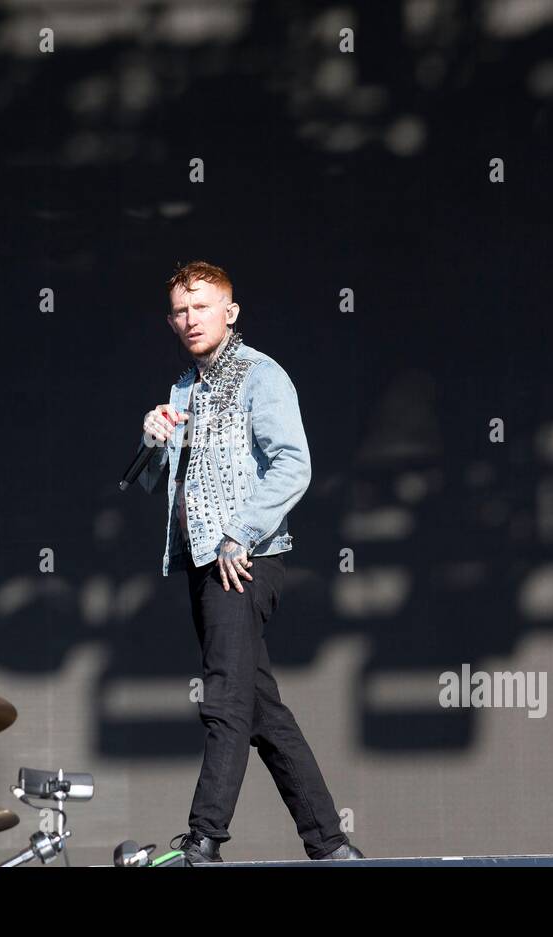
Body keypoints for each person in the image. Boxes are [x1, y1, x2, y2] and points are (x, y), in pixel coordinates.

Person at [136, 261, 364, 864]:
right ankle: (330, 842)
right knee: (262, 709)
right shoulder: (185, 386)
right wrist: (153, 442)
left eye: (202, 307)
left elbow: (294, 464)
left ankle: (205, 838)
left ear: (230, 312)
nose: (190, 319)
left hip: (244, 560)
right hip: (201, 561)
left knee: (225, 701)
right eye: (181, 311)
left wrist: (239, 534)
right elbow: (159, 482)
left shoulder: (261, 375)